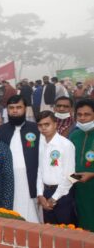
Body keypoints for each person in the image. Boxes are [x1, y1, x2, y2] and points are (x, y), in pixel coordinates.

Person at [0, 95, 40, 222]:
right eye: (11, 108)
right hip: (9, 177)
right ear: (7, 110)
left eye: (18, 107)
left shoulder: (36, 128)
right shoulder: (0, 130)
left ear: (25, 109)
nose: (15, 111)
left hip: (31, 177)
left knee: (32, 211)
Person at [36, 111, 76, 225]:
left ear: (55, 124)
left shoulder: (66, 144)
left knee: (66, 232)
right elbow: (39, 170)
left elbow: (72, 176)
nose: (43, 128)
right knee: (50, 231)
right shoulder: (41, 143)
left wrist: (54, 198)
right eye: (40, 125)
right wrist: (40, 194)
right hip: (46, 193)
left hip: (63, 194)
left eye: (47, 124)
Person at [70, 99, 94, 231]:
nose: (83, 118)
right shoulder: (74, 135)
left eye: (87, 114)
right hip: (80, 189)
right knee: (84, 223)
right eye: (79, 115)